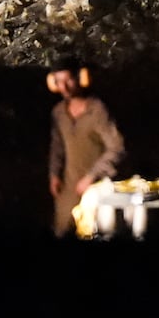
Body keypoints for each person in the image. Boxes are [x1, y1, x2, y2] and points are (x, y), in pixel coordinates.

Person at [47, 53, 125, 237]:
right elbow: (57, 147)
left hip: (97, 189)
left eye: (68, 80)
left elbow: (117, 148)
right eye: (58, 81)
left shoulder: (97, 110)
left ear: (80, 78)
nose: (63, 87)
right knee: (62, 233)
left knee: (94, 233)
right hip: (68, 189)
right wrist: (54, 174)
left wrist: (91, 176)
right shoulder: (58, 113)